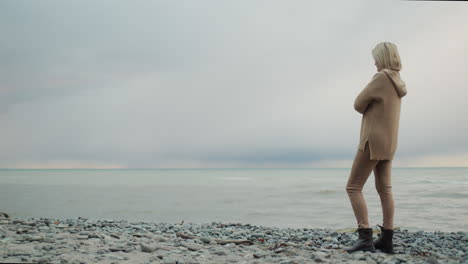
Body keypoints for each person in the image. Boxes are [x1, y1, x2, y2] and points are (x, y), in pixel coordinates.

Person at [345, 42, 407, 254]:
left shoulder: (381, 78)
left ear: (383, 58)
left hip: (372, 141)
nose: (374, 62)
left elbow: (357, 104)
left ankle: (365, 237)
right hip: (390, 143)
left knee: (353, 187)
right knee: (385, 189)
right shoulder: (398, 81)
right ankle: (387, 239)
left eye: (376, 58)